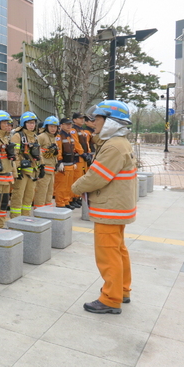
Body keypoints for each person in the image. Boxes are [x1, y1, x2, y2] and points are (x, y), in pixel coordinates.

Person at [71, 100, 136, 314]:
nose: (93, 122)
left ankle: (110, 298)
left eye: (98, 118)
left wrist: (76, 187)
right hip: (116, 206)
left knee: (108, 254)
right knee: (118, 251)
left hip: (110, 208)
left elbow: (97, 176)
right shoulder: (117, 142)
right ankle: (122, 290)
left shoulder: (114, 146)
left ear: (110, 122)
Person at [9, 112, 40, 218]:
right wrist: (17, 169)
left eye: (33, 123)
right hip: (22, 172)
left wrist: (41, 167)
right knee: (18, 196)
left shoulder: (35, 136)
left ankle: (25, 218)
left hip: (32, 172)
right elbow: (14, 154)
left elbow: (38, 154)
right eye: (29, 123)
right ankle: (15, 220)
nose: (32, 125)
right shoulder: (18, 136)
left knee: (28, 198)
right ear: (24, 123)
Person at [54, 118, 83, 209]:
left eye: (70, 124)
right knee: (61, 186)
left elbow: (73, 149)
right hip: (64, 165)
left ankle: (66, 201)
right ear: (61, 125)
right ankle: (60, 203)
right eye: (66, 124)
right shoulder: (59, 136)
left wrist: (74, 161)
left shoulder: (70, 136)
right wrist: (59, 161)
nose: (69, 126)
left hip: (70, 164)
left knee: (68, 186)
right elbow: (58, 150)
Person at [34, 116, 59, 208]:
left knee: (49, 192)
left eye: (55, 127)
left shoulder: (53, 138)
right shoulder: (42, 137)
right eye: (51, 126)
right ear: (46, 126)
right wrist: (40, 166)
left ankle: (48, 210)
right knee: (42, 191)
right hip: (44, 169)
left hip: (51, 169)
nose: (53, 129)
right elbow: (36, 151)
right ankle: (39, 210)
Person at [70, 112, 92, 207]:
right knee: (76, 177)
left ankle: (78, 197)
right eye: (80, 118)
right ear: (74, 120)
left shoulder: (82, 130)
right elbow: (76, 143)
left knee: (82, 177)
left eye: (82, 118)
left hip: (84, 156)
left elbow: (86, 143)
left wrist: (88, 153)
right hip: (78, 157)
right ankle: (73, 197)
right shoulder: (73, 130)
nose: (82, 120)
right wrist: (82, 153)